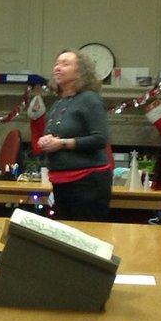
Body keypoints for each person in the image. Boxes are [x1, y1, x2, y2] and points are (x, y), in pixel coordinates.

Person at [30, 49, 111, 221]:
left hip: (88, 184)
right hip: (62, 183)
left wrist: (62, 144)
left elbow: (100, 139)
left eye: (65, 64)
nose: (57, 68)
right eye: (56, 64)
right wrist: (46, 140)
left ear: (80, 71)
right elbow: (55, 134)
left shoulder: (90, 99)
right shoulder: (60, 102)